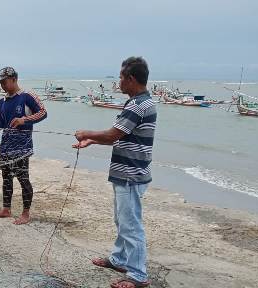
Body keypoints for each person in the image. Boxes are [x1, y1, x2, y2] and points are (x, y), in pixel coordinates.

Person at [73, 57, 155, 288]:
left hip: (131, 174)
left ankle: (139, 275)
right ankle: (119, 259)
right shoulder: (137, 102)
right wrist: (91, 141)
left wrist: (85, 133)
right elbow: (122, 137)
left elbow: (113, 134)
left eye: (121, 77)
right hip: (126, 172)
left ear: (131, 79)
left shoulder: (139, 105)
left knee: (130, 224)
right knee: (121, 220)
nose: (119, 81)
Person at [0, 67, 47, 225]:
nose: (2, 85)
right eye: (0, 83)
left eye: (4, 82)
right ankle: (6, 209)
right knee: (6, 178)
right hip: (6, 146)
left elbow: (43, 113)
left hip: (22, 146)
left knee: (23, 178)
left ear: (14, 79)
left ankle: (26, 213)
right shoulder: (2, 101)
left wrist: (24, 120)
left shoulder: (27, 96)